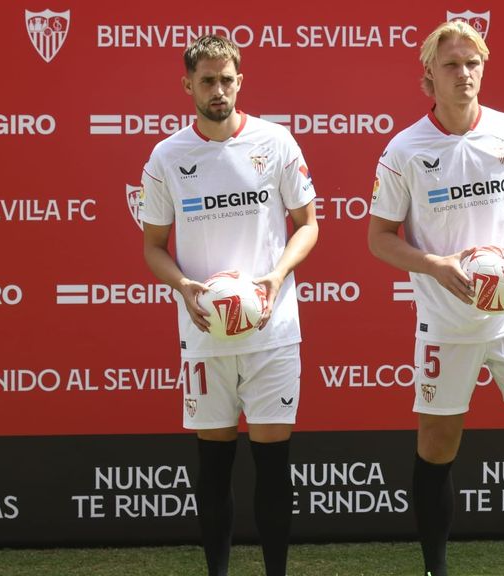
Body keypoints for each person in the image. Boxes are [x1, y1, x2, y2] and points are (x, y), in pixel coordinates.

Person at [366, 21, 504, 576]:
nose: (464, 74)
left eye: (473, 64)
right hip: (447, 321)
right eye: (452, 65)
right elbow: (379, 237)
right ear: (428, 77)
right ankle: (437, 569)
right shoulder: (404, 150)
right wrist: (434, 265)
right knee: (437, 445)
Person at [140, 34, 319, 576]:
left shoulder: (277, 142)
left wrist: (277, 274)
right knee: (214, 466)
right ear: (187, 85)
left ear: (240, 80)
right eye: (207, 81)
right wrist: (184, 286)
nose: (219, 90)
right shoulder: (167, 156)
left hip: (272, 331)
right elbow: (152, 246)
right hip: (205, 335)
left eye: (227, 79)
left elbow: (308, 226)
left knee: (272, 463)